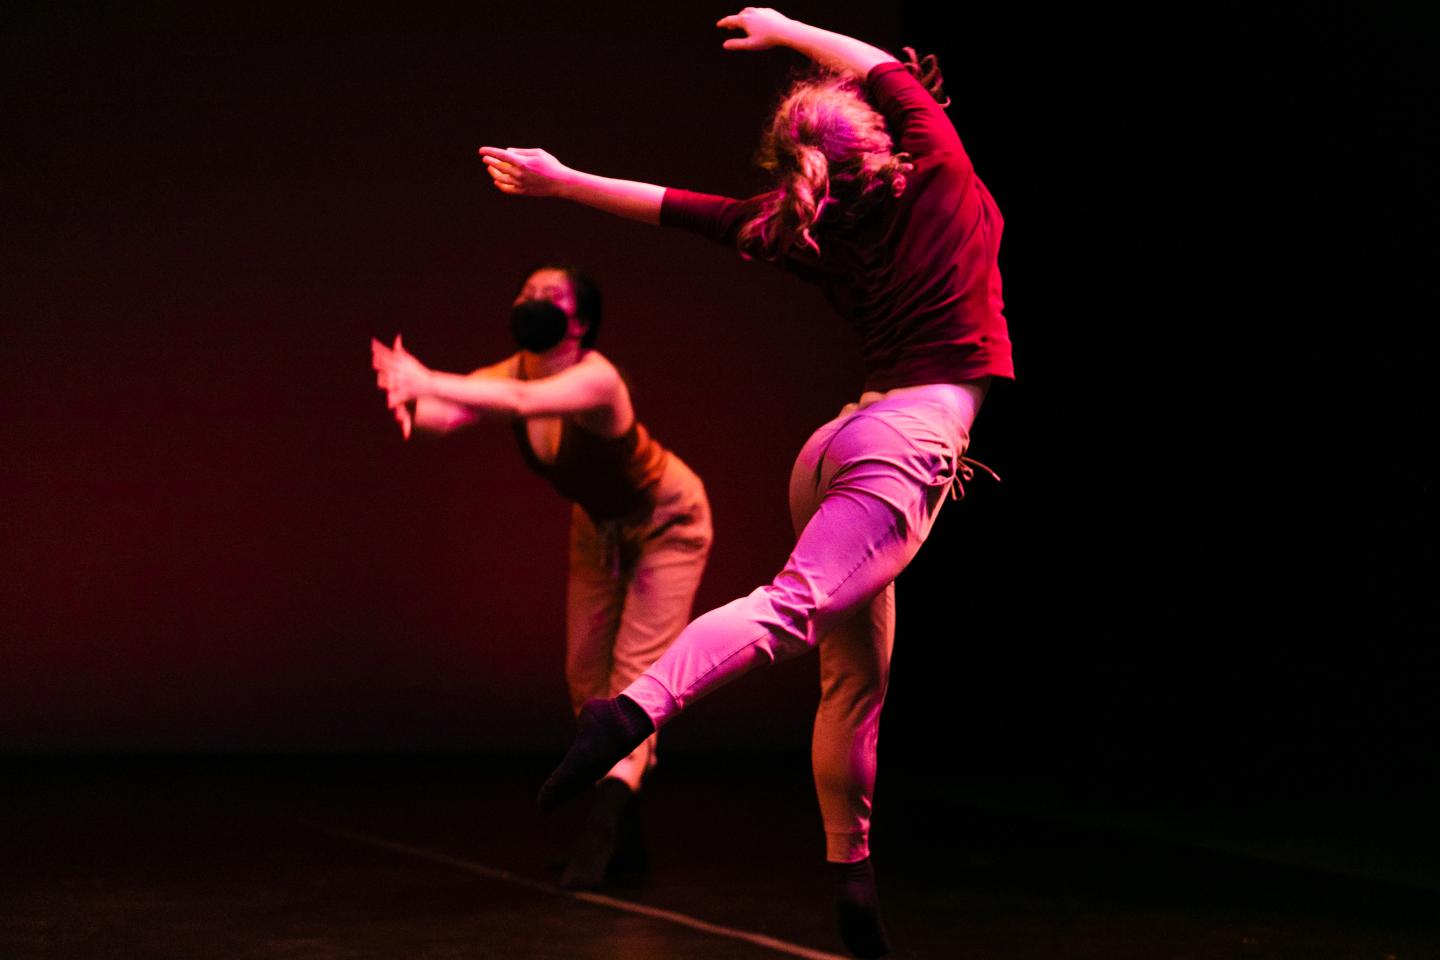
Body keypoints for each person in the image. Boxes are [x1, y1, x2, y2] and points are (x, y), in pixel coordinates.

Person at [478, 9, 1012, 956]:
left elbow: (675, 206)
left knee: (855, 681)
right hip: (904, 443)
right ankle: (632, 711)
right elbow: (881, 65)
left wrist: (563, 182)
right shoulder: (936, 168)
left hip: (836, 446)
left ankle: (854, 893)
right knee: (791, 610)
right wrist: (786, 27)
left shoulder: (811, 229)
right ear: (883, 138)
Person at [370, 263, 713, 890]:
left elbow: (520, 404)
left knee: (635, 679)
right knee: (586, 680)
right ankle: (630, 839)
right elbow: (459, 409)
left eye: (545, 295)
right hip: (597, 528)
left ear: (578, 320)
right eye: (523, 291)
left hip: (667, 521)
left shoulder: (598, 378)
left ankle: (602, 833)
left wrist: (424, 376)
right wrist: (411, 404)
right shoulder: (517, 371)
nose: (528, 301)